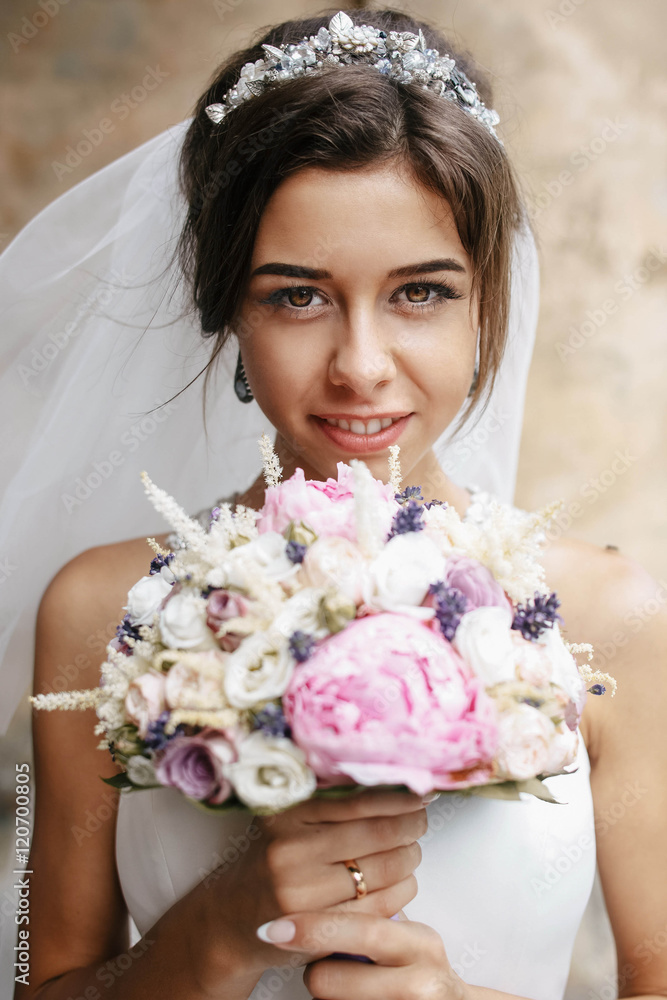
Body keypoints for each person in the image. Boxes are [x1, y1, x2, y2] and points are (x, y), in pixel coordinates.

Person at [8, 9, 666, 1000]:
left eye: (421, 293)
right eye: (298, 296)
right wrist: (213, 935)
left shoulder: (608, 619)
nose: (361, 367)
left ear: (487, 305)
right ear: (227, 304)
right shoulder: (103, 612)